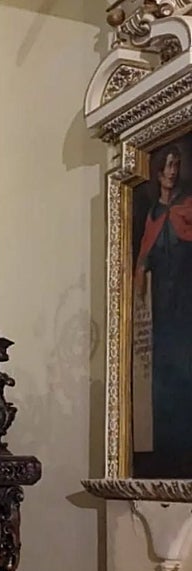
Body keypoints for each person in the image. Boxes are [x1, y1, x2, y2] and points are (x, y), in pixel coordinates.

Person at [133, 143, 192, 473]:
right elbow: (143, 260)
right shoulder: (153, 215)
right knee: (165, 376)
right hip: (163, 312)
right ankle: (169, 449)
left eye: (176, 164)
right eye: (167, 165)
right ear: (157, 173)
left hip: (187, 304)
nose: (172, 170)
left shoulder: (187, 206)